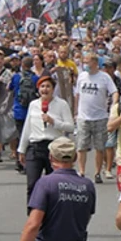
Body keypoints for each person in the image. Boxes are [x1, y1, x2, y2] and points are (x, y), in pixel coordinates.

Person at [18, 76, 75, 206]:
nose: (45, 89)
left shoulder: (61, 104)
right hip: (35, 146)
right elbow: (28, 127)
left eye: (48, 86)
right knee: (32, 183)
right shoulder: (33, 105)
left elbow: (70, 127)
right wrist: (22, 149)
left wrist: (53, 122)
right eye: (42, 86)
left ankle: (53, 212)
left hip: (54, 147)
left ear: (53, 89)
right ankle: (32, 213)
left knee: (54, 184)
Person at [74, 53, 118, 183]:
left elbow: (114, 92)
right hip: (83, 117)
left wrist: (113, 106)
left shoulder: (104, 77)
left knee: (100, 147)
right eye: (84, 61)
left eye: (87, 61)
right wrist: (76, 111)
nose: (85, 64)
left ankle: (97, 172)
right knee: (81, 146)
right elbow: (77, 94)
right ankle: (81, 171)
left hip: (100, 117)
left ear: (95, 62)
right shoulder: (82, 76)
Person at [10, 56, 39, 174]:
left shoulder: (16, 77)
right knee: (30, 137)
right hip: (31, 111)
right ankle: (28, 162)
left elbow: (10, 89)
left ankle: (19, 161)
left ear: (22, 64)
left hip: (18, 111)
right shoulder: (35, 78)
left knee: (20, 135)